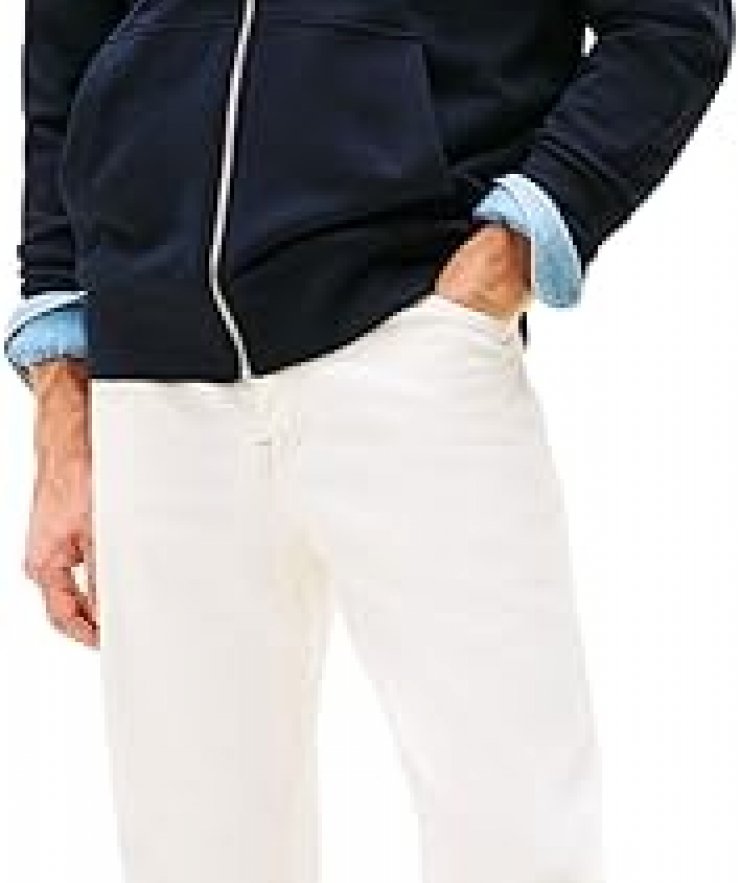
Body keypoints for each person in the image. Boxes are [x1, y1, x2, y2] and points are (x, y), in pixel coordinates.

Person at [4, 1, 734, 881]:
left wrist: (520, 239)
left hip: (408, 328)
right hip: (151, 373)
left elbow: (671, 24)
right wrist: (62, 401)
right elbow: (64, 58)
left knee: (514, 829)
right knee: (192, 850)